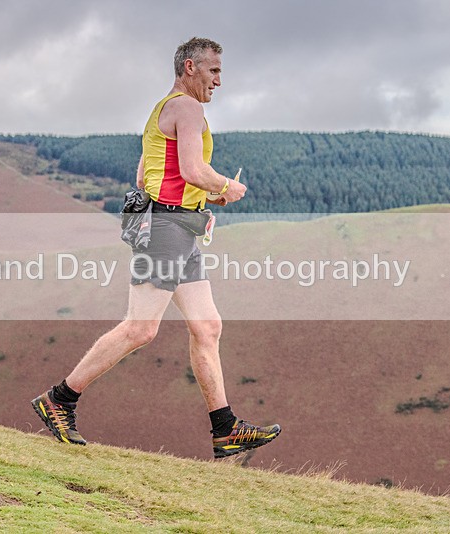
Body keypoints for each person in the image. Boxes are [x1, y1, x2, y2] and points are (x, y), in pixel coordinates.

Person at [32, 37, 280, 459]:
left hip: (178, 225)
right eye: (214, 70)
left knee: (207, 327)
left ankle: (225, 429)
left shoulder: (163, 108)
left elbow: (147, 172)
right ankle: (59, 400)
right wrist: (226, 187)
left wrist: (203, 199)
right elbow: (191, 168)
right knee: (140, 328)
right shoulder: (187, 107)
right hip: (167, 227)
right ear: (189, 67)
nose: (219, 80)